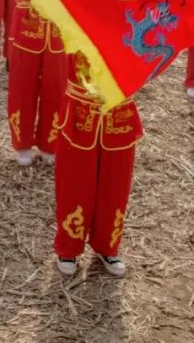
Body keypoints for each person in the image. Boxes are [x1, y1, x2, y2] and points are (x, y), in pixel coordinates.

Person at [53, 53, 141, 277]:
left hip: (119, 111)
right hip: (81, 110)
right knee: (74, 184)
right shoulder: (77, 19)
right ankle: (69, 248)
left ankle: (107, 246)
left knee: (115, 186)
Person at [5, 0, 67, 166]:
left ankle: (48, 144)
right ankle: (22, 144)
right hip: (27, 21)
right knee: (22, 87)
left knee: (56, 88)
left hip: (60, 25)